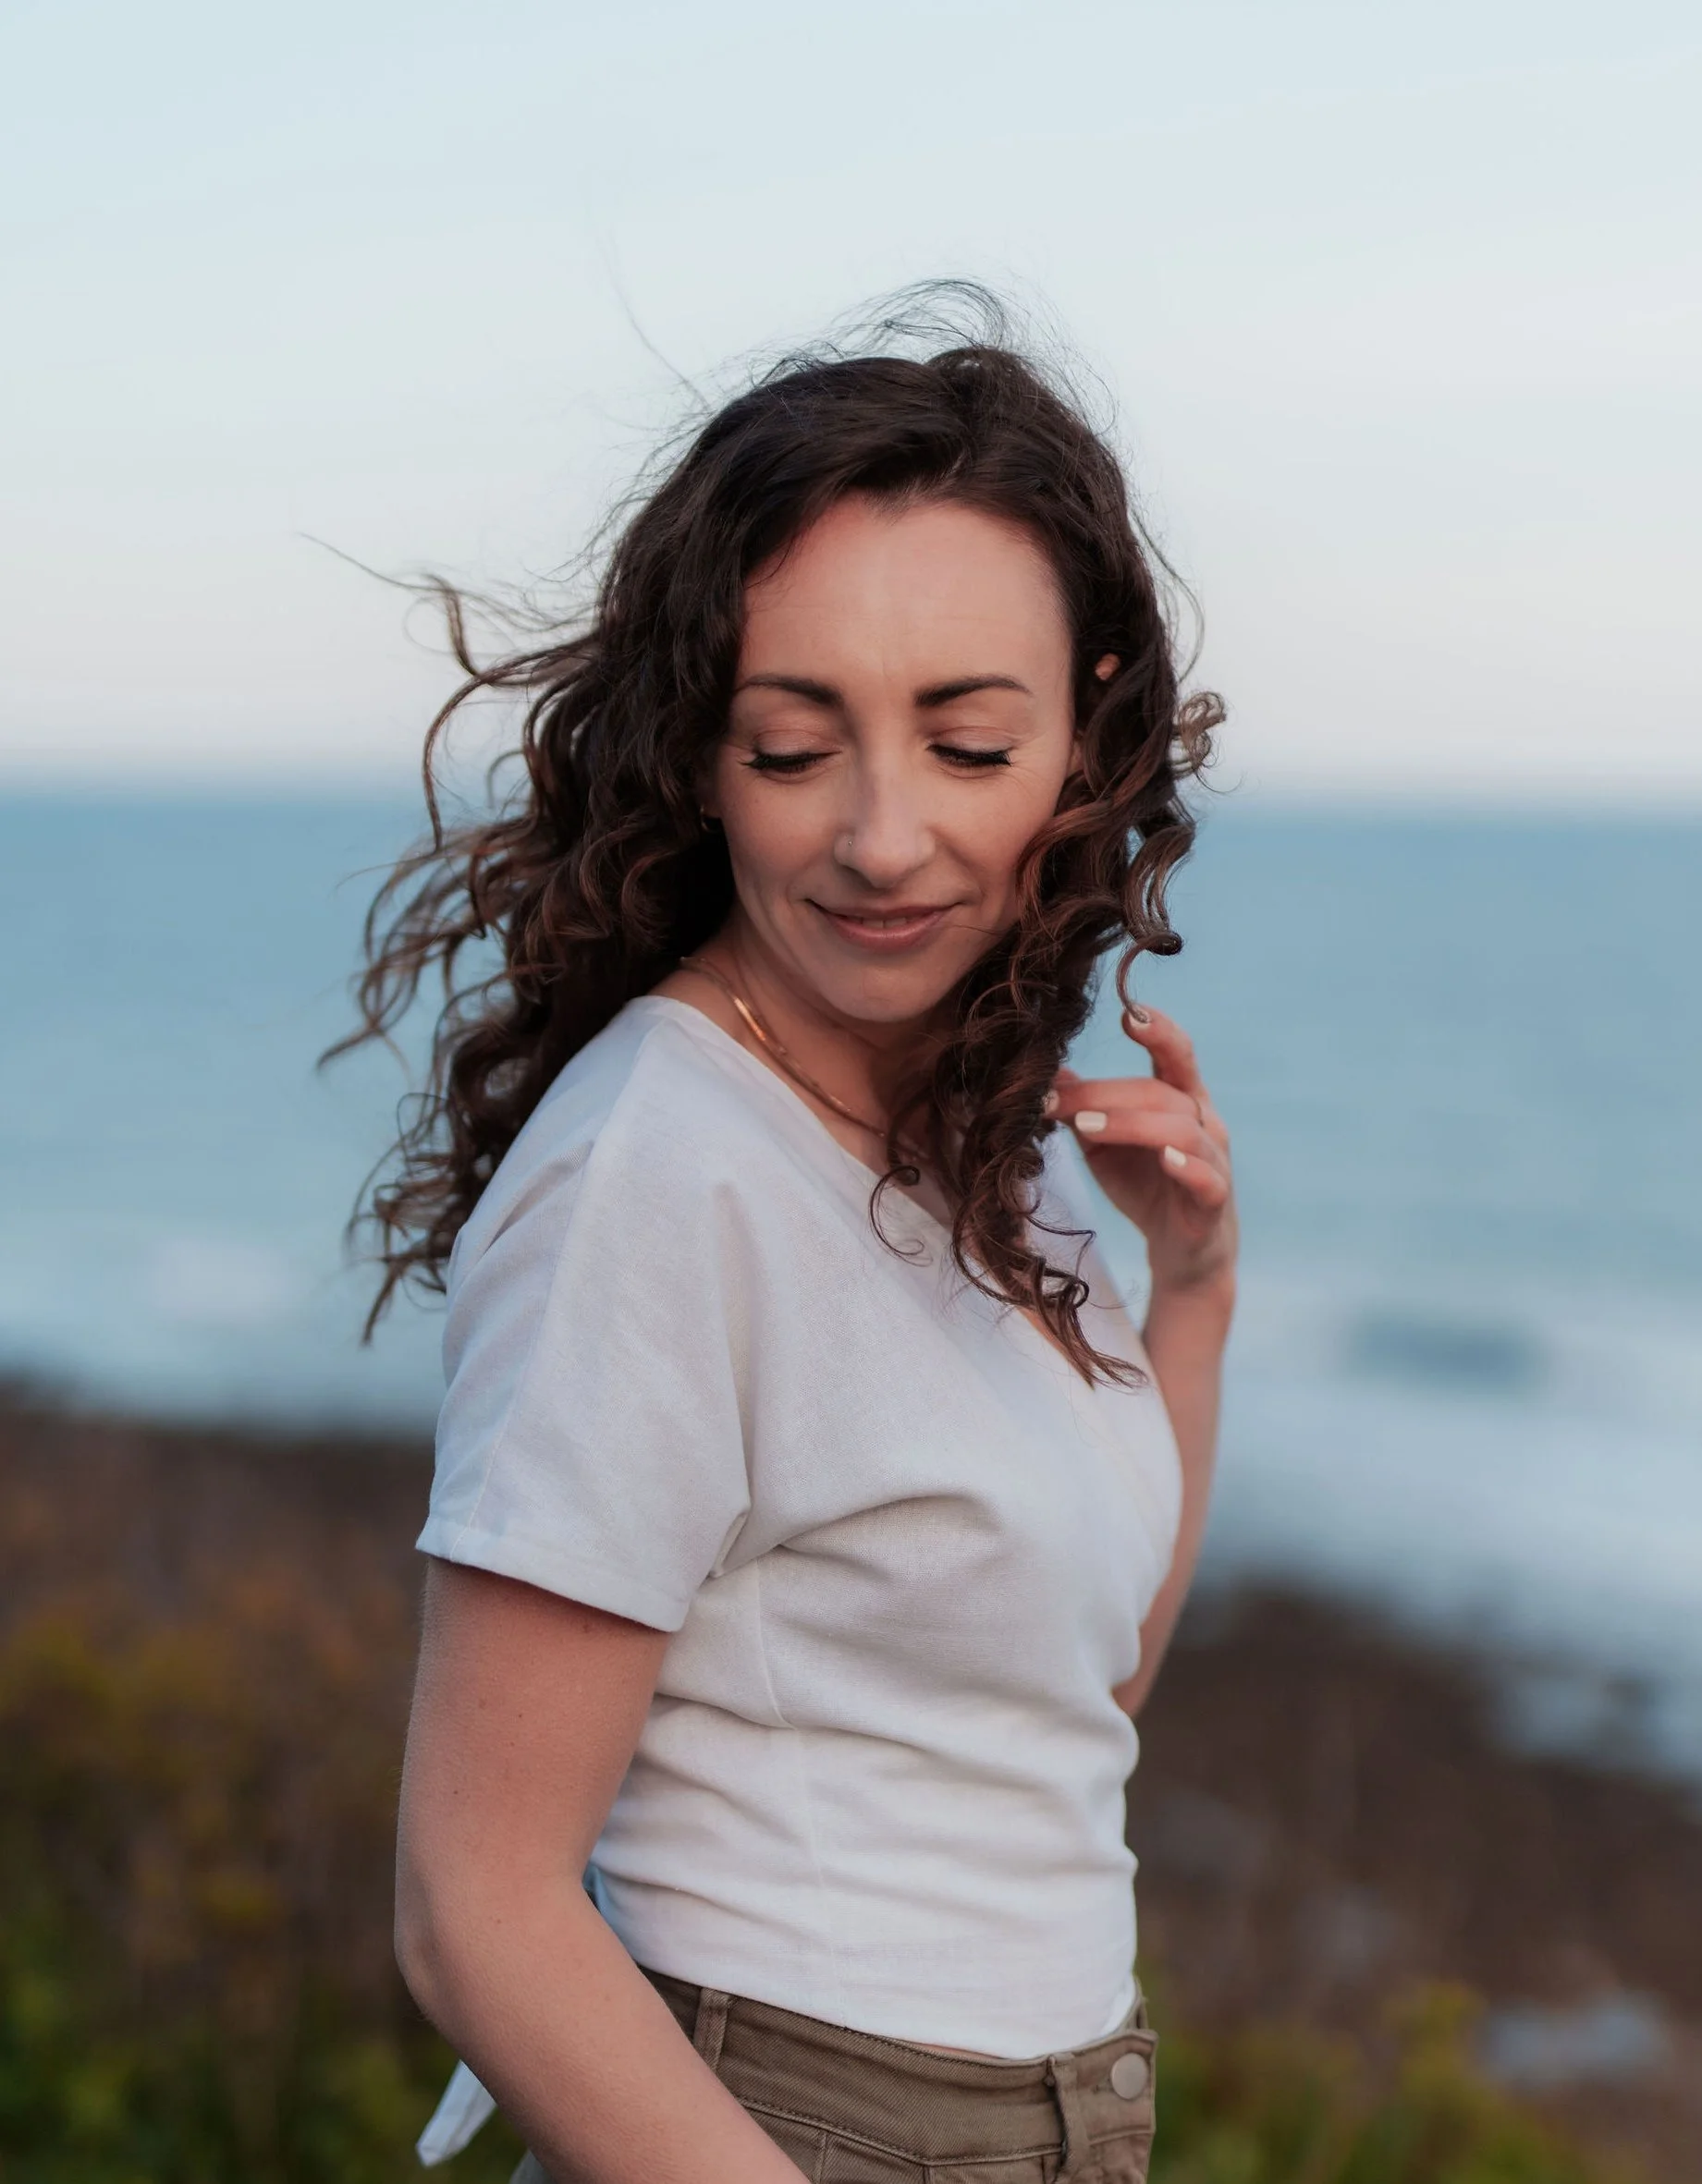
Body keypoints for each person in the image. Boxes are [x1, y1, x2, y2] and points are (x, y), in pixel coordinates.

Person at [348, 293, 1235, 2184]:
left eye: (966, 743)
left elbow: (1083, 1697)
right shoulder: (663, 1170)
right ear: (697, 751)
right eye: (791, 744)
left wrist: (1193, 1295)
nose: (882, 836)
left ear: (1084, 742)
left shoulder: (978, 1132)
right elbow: (474, 1903)